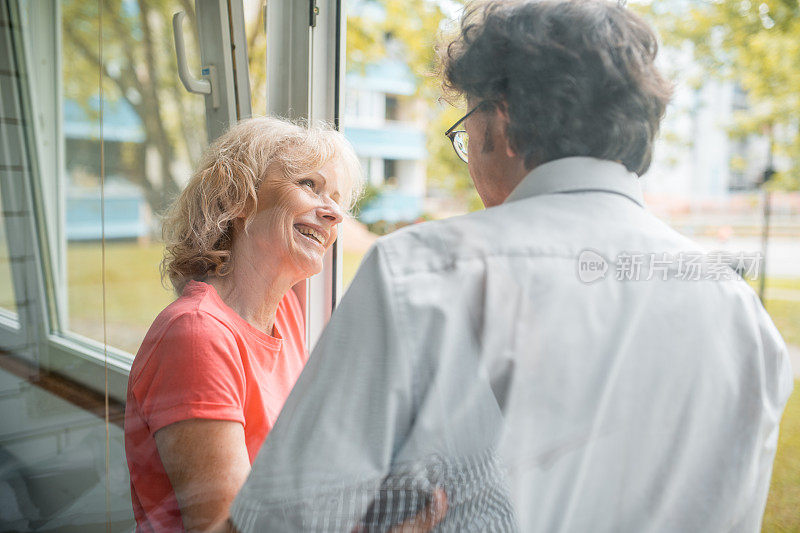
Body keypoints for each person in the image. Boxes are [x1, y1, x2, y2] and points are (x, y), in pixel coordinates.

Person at [230, 1, 794, 532]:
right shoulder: (747, 321)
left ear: (498, 122)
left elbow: (279, 519)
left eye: (465, 127)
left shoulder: (423, 276)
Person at [123, 117, 363, 532]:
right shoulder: (197, 334)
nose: (334, 213)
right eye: (309, 185)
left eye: (338, 199)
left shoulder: (285, 311)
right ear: (237, 198)